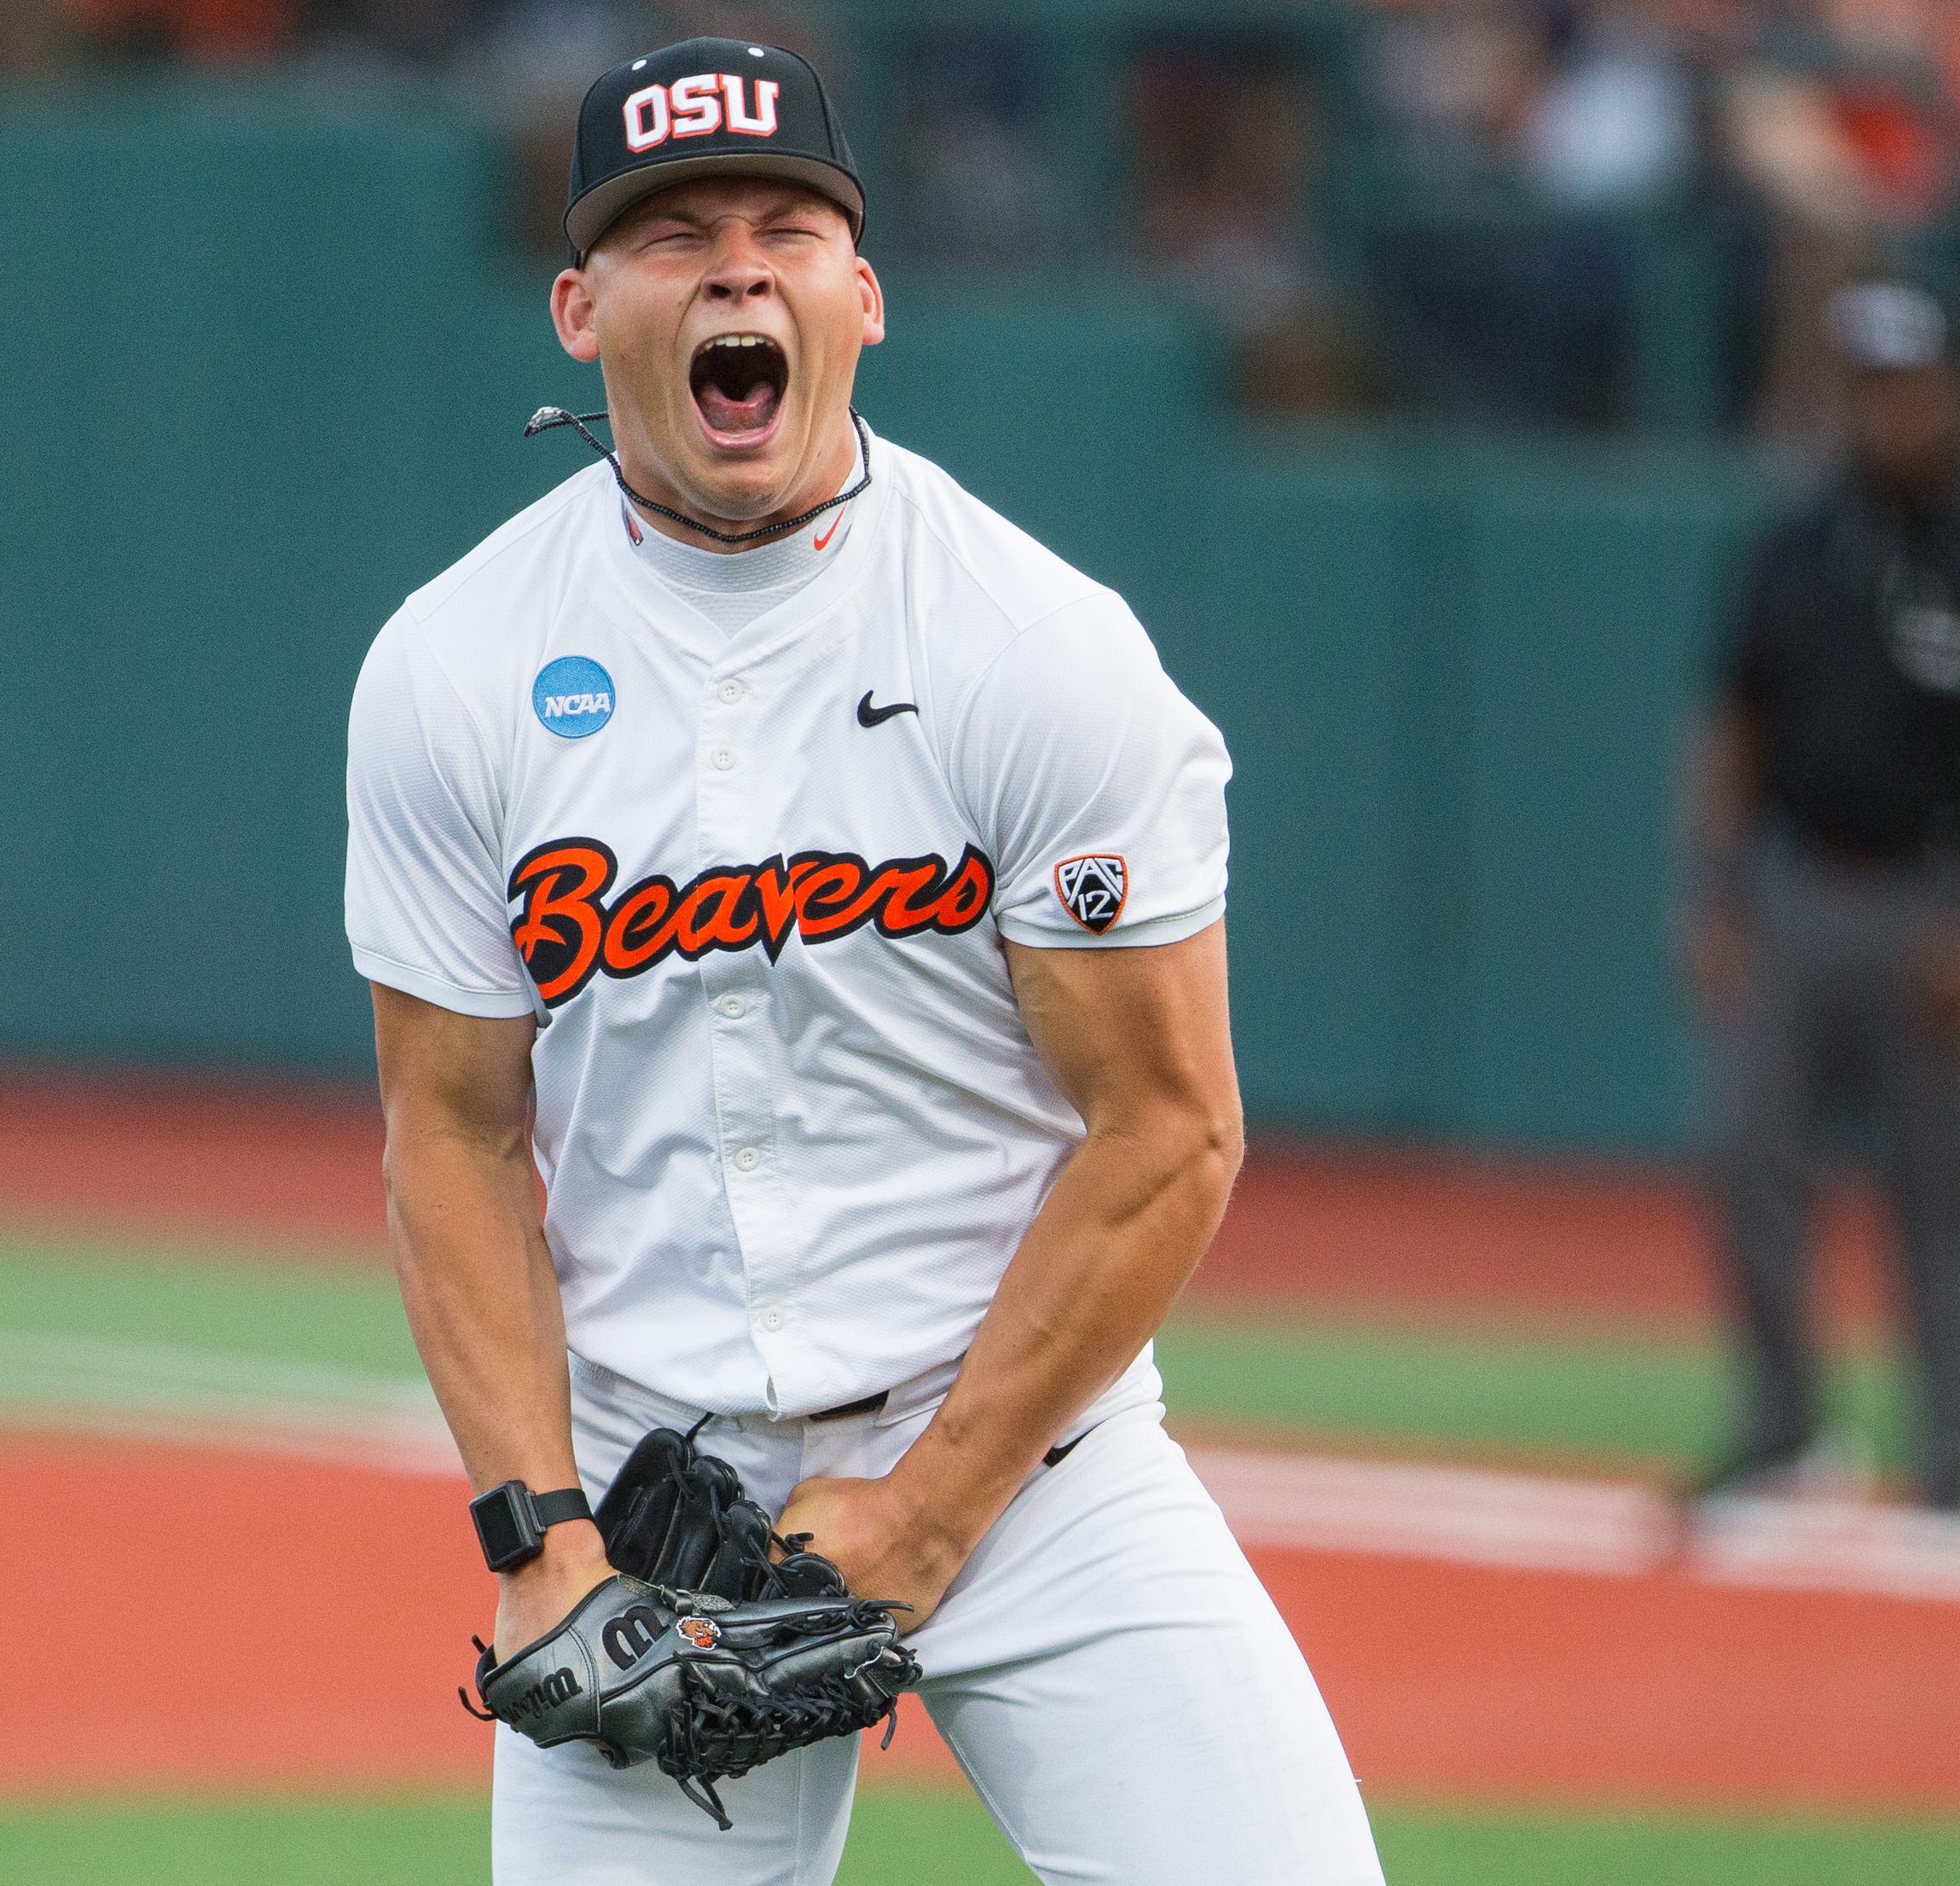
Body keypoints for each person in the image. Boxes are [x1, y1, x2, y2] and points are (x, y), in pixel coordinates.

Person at [343, 36, 1385, 1885]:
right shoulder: (458, 665)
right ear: (582, 309)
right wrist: (539, 1542)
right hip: (658, 1523)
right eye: (674, 237)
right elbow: (451, 1131)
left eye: (785, 227)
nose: (737, 269)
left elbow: (1170, 1126)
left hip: (1032, 1467)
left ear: (864, 295)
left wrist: (922, 1510)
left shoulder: (1034, 649)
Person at [1686, 281, 1960, 1512]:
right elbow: (1732, 724)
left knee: (1948, 1198)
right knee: (1751, 1163)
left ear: (1955, 395)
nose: (1880, 411)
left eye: (1904, 385)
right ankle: (1783, 1427)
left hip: (1931, 907)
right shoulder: (1795, 548)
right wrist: (1716, 890)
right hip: (1802, 888)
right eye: (1864, 384)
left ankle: (1952, 1469)